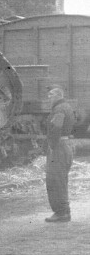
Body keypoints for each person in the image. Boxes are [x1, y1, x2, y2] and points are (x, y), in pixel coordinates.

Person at [44, 85, 74, 222]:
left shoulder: (59, 109)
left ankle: (61, 212)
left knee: (55, 180)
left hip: (59, 147)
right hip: (66, 145)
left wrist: (52, 145)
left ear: (58, 96)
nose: (48, 98)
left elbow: (57, 127)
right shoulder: (66, 106)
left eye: (51, 95)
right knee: (61, 180)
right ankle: (64, 211)